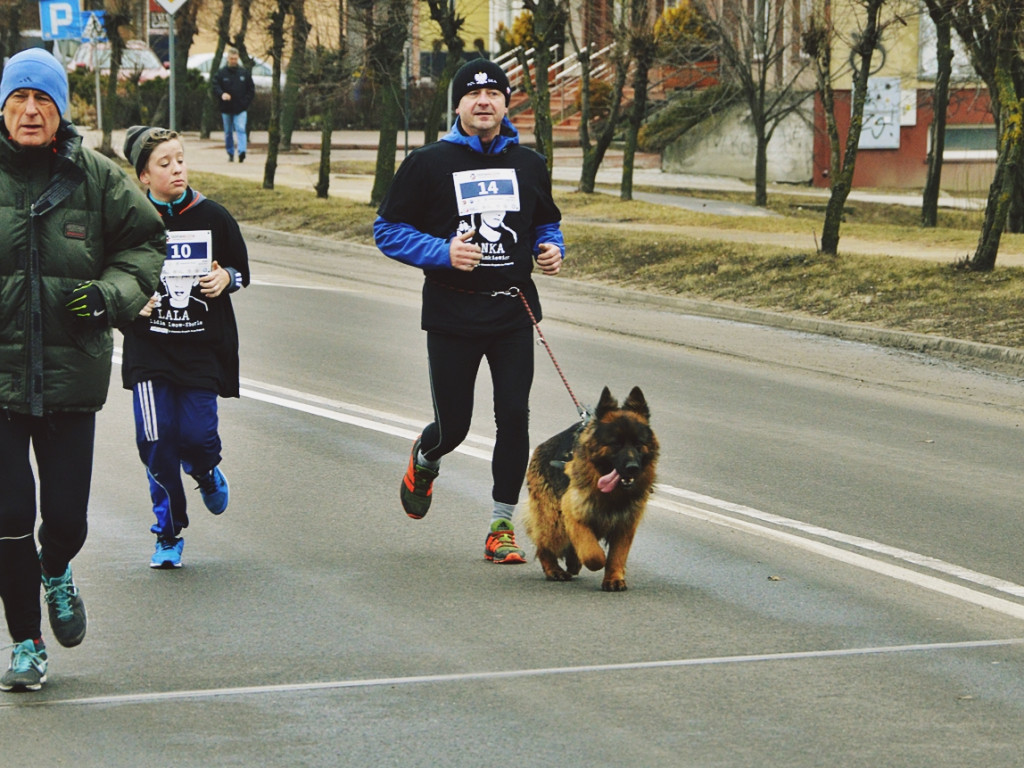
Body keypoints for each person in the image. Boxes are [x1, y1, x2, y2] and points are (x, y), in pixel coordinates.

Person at [0, 49, 165, 692]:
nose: (30, 111)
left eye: (43, 100)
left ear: (62, 110)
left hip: (72, 376)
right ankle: (26, 644)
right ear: (3, 106)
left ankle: (58, 569)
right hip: (1, 378)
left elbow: (145, 245)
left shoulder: (96, 177)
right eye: (19, 99)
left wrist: (110, 296)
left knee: (64, 520)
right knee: (10, 515)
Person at [374, 58, 564, 565]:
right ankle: (427, 456)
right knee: (454, 425)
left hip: (511, 312)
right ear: (458, 104)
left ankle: (501, 525)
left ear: (506, 103)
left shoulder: (529, 164)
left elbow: (546, 222)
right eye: (473, 94)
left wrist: (551, 250)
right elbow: (387, 230)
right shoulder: (428, 163)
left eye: (494, 94)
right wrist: (443, 252)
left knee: (514, 418)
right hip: (452, 314)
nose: (484, 102)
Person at [121, 126, 250, 569]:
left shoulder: (212, 215)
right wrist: (130, 301)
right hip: (149, 351)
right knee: (156, 441)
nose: (176, 168)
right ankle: (168, 532)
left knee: (195, 437)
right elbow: (109, 275)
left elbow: (240, 269)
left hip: (200, 349)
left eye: (180, 159)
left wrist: (225, 278)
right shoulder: (128, 221)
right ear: (143, 176)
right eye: (164, 163)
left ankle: (205, 468)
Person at [212, 47, 254, 163]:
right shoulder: (221, 73)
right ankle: (230, 152)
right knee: (228, 132)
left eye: (235, 59)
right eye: (231, 59)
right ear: (228, 59)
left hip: (240, 108)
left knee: (241, 128)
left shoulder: (244, 73)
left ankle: (242, 151)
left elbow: (251, 89)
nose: (233, 61)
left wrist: (245, 102)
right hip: (226, 108)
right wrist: (222, 94)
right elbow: (215, 86)